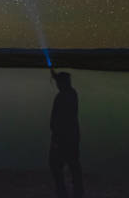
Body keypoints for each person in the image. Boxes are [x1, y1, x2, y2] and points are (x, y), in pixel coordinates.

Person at [50, 67, 84, 198]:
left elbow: (58, 122)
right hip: (73, 137)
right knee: (74, 164)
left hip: (62, 139)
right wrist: (55, 76)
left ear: (62, 83)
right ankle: (78, 192)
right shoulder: (72, 93)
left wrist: (56, 140)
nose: (58, 85)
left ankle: (62, 192)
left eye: (59, 82)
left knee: (55, 164)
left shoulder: (61, 97)